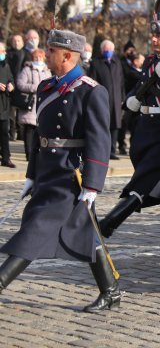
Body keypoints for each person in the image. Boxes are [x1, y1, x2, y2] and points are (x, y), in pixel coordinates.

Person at [0, 29, 119, 312]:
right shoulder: (46, 88)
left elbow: (99, 140)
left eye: (51, 51)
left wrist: (92, 184)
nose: (46, 54)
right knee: (85, 230)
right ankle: (111, 290)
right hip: (48, 170)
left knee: (36, 226)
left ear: (67, 56)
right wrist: (31, 174)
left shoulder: (92, 91)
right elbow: (42, 136)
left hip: (71, 174)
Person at [96, 20, 160, 242]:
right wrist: (131, 99)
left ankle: (109, 223)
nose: (153, 39)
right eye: (153, 35)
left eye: (159, 36)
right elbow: (141, 86)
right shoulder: (151, 62)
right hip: (146, 133)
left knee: (145, 181)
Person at [87, 40, 125, 160]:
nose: (108, 52)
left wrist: (123, 97)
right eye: (106, 49)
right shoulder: (96, 63)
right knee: (104, 125)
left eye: (110, 49)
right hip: (103, 99)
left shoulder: (117, 62)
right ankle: (103, 151)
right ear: (102, 50)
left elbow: (121, 81)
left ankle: (112, 151)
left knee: (115, 125)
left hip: (116, 99)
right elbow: (92, 81)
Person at [15, 48, 50, 162]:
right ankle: (29, 154)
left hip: (43, 103)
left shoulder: (46, 70)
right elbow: (20, 84)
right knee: (29, 130)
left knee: (40, 130)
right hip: (30, 104)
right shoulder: (27, 70)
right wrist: (34, 87)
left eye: (40, 57)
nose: (38, 59)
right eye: (36, 57)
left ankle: (38, 153)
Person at [118, 41, 142, 156]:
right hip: (127, 98)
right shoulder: (123, 64)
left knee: (134, 126)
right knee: (124, 124)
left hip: (137, 101)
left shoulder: (140, 71)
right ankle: (121, 144)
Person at [0, 42, 15, 168]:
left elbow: (10, 78)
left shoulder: (6, 65)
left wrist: (11, 84)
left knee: (5, 132)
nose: (3, 54)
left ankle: (6, 158)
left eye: (3, 51)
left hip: (4, 104)